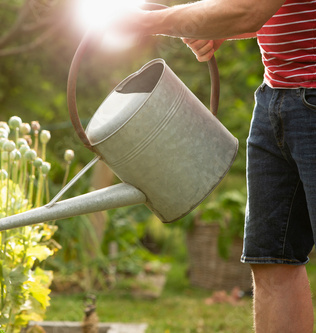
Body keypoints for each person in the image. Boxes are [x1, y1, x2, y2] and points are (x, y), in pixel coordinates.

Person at [110, 1, 316, 332]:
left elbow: (247, 9)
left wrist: (141, 22)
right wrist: (226, 27)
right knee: (273, 261)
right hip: (274, 98)